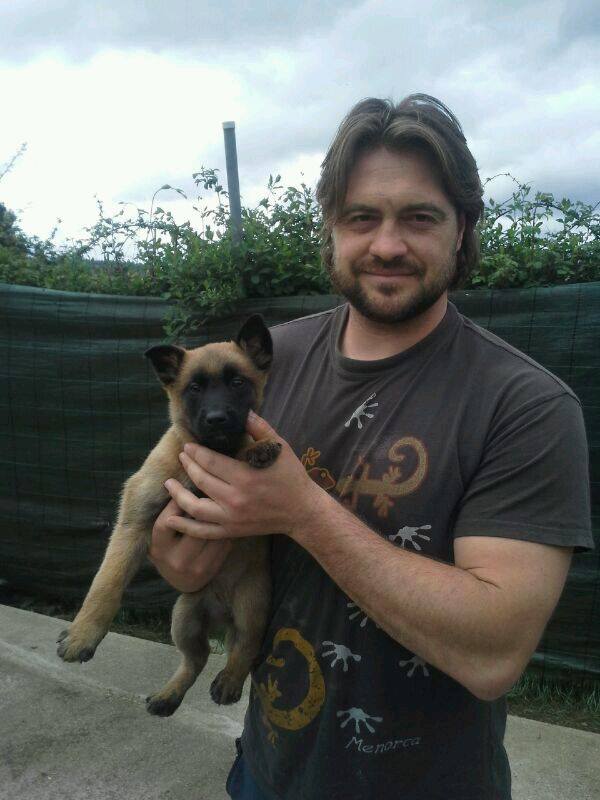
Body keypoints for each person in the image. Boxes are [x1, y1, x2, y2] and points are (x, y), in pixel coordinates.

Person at [149, 95, 593, 800]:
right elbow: (178, 554)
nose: (387, 244)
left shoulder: (525, 405)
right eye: (362, 217)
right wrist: (186, 547)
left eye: (419, 216)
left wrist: (301, 511)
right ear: (330, 229)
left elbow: (494, 654)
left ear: (463, 230)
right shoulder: (260, 369)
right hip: (265, 769)